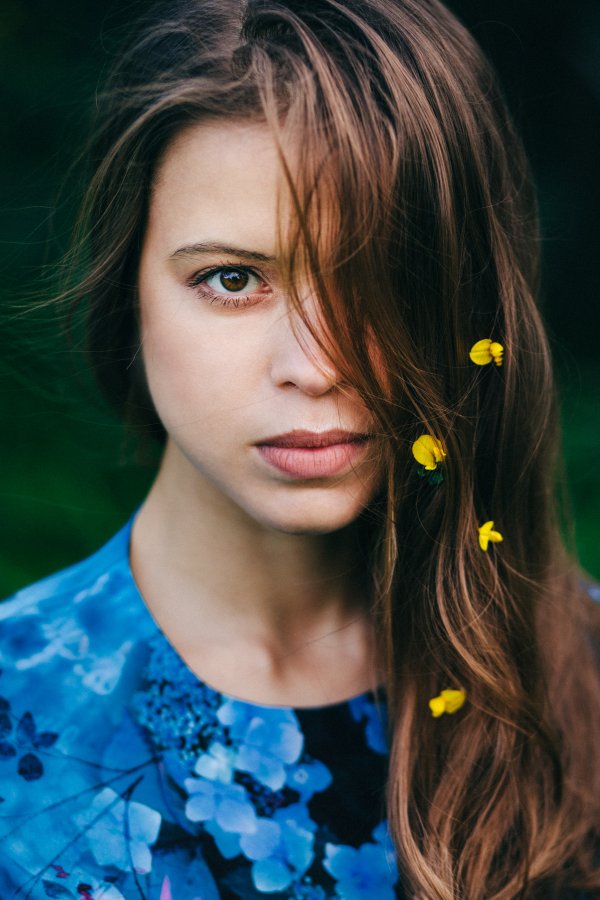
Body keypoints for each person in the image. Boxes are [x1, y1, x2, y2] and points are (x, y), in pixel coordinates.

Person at [0, 0, 598, 896]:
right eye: (233, 279)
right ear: (126, 290)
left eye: (384, 276)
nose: (316, 367)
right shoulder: (19, 718)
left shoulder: (578, 671)